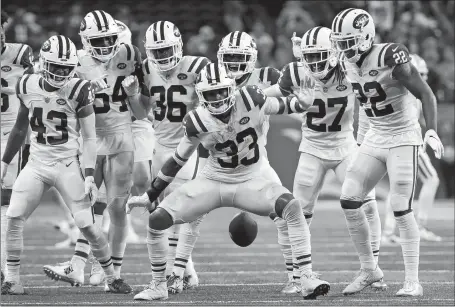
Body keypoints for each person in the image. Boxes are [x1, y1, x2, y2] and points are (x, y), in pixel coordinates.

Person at [125, 62, 330, 301]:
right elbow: (178, 160)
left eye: (221, 91)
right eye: (211, 94)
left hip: (251, 179)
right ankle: (159, 284)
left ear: (231, 88)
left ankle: (305, 276)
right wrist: (150, 195)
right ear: (201, 95)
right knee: (157, 219)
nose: (217, 99)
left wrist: (302, 103)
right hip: (213, 180)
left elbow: (282, 105)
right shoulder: (197, 120)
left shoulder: (251, 97)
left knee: (292, 208)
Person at [1, 35, 131, 295]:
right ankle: (12, 280)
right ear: (44, 63)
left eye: (65, 68)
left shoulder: (80, 89)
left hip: (68, 164)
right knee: (13, 216)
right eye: (56, 67)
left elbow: (90, 137)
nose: (60, 73)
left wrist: (90, 175)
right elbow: (19, 128)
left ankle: (111, 277)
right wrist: (5, 162)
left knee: (87, 224)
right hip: (37, 163)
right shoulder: (26, 84)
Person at [330, 8, 444, 296]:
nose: (344, 48)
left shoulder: (390, 56)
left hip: (404, 136)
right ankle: (369, 269)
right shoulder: (346, 61)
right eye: (340, 42)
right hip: (377, 135)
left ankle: (412, 281)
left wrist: (430, 129)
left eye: (349, 42)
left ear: (366, 37)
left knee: (400, 207)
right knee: (349, 198)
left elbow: (425, 93)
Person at [264, 26, 384, 293]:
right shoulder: (296, 71)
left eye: (320, 55)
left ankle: (372, 268)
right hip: (312, 148)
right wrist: (251, 96)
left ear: (334, 53)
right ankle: (297, 276)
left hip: (345, 148)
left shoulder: (351, 69)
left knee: (366, 206)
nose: (314, 63)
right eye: (309, 57)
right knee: (296, 215)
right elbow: (273, 93)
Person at [166, 31, 283, 294]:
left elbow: (291, 88)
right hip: (215, 159)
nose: (232, 63)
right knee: (191, 213)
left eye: (238, 57)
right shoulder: (212, 79)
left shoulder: (266, 78)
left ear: (251, 59)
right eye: (227, 57)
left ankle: (299, 274)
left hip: (255, 161)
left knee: (286, 212)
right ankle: (182, 273)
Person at [42, 10, 143, 291]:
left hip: (121, 136)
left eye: (110, 38)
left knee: (118, 207)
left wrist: (134, 94)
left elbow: (143, 111)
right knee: (86, 204)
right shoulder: (74, 60)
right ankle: (81, 264)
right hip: (90, 139)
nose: (107, 44)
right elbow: (56, 95)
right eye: (100, 39)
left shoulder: (130, 55)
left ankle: (110, 268)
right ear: (86, 40)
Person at [122, 20, 210, 291]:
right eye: (156, 51)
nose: (161, 56)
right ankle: (186, 270)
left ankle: (177, 271)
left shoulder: (199, 67)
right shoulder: (147, 69)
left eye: (165, 50)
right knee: (160, 211)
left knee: (178, 209)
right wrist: (133, 95)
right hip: (158, 145)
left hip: (188, 146)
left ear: (179, 46)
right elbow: (140, 114)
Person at [381, 54, 442, 245]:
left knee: (397, 187)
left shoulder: (398, 90)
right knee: (431, 179)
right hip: (407, 142)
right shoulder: (409, 92)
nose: (422, 78)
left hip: (394, 141)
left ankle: (388, 231)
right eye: (420, 74)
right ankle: (418, 226)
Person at [0, 10, 34, 284]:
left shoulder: (20, 54)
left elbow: (38, 88)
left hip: (10, 134)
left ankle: (4, 269)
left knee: (5, 203)